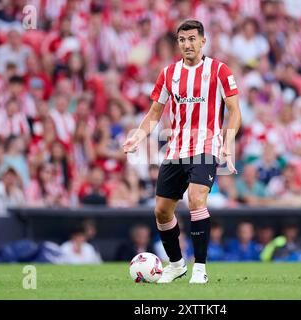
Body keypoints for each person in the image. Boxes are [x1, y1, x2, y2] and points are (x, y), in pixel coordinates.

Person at [123, 20, 241, 284]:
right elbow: (155, 113)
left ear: (202, 41)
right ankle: (176, 265)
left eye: (191, 39)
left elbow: (234, 111)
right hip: (176, 148)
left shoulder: (219, 71)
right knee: (162, 212)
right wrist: (138, 136)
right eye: (182, 40)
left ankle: (200, 267)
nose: (187, 44)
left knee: (196, 199)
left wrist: (227, 141)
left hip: (206, 145)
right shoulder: (168, 74)